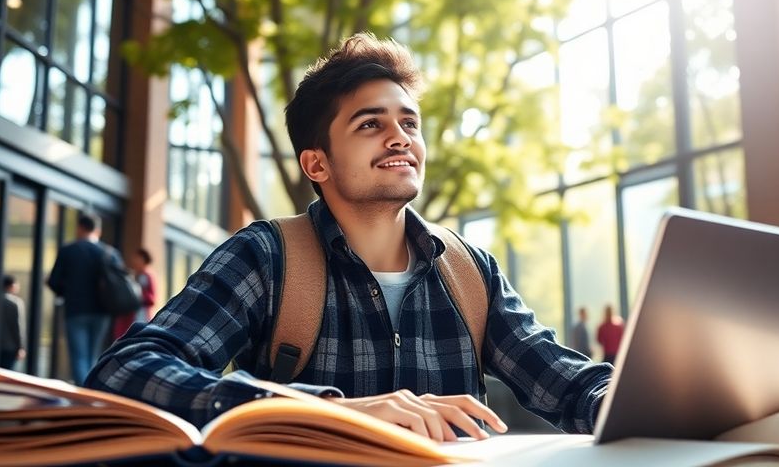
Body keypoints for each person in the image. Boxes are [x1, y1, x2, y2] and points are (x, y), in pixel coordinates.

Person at [86, 33, 612, 441]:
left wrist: (638, 401)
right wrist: (325, 411)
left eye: (410, 122)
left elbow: (569, 384)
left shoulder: (471, 272)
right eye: (369, 124)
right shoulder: (266, 258)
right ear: (316, 163)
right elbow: (122, 373)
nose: (400, 136)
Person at [47, 213, 116, 384]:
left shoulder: (68, 251)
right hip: (102, 311)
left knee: (79, 357)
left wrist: (67, 292)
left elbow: (53, 281)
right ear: (97, 231)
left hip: (76, 310)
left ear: (79, 228)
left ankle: (85, 396)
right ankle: (92, 394)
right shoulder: (109, 253)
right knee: (93, 356)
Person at [112, 248, 158, 340]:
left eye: (137, 258)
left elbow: (151, 297)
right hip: (132, 315)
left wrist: (137, 296)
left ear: (143, 259)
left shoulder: (146, 275)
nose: (134, 261)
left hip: (141, 315)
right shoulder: (136, 274)